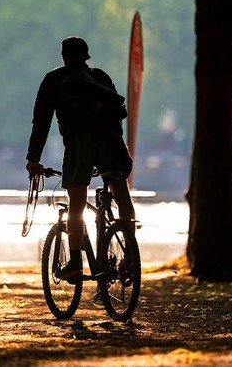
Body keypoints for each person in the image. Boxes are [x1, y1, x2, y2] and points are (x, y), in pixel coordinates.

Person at [26, 36, 136, 283]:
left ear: (63, 57)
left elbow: (41, 123)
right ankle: (130, 256)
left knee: (76, 205)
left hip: (79, 146)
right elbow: (117, 115)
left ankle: (75, 264)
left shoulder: (54, 80)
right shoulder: (101, 77)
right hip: (112, 144)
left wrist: (33, 159)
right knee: (122, 197)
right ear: (87, 57)